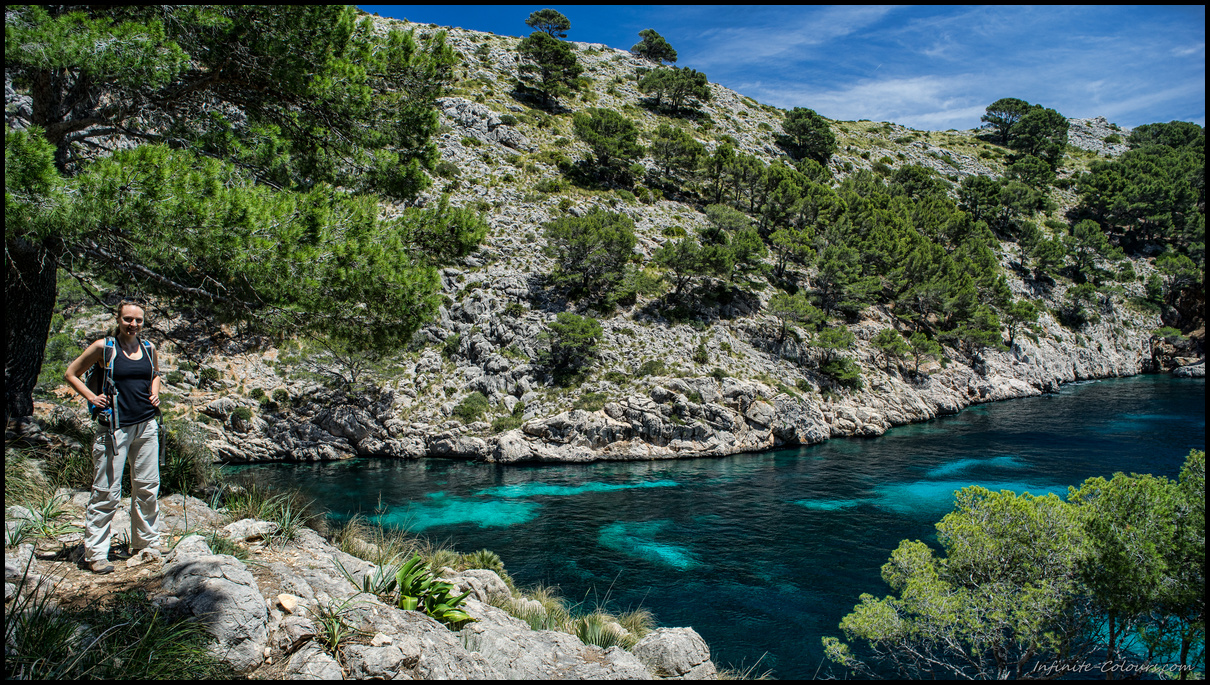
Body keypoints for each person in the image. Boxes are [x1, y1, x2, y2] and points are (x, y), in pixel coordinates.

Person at [64, 300, 163, 574]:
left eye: (138, 320)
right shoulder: (104, 347)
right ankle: (96, 553)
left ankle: (146, 545)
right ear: (118, 319)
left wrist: (155, 392)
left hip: (146, 424)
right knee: (107, 491)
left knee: (147, 487)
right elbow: (71, 374)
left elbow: (155, 374)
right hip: (114, 428)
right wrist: (92, 398)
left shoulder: (148, 348)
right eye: (128, 319)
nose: (133, 324)